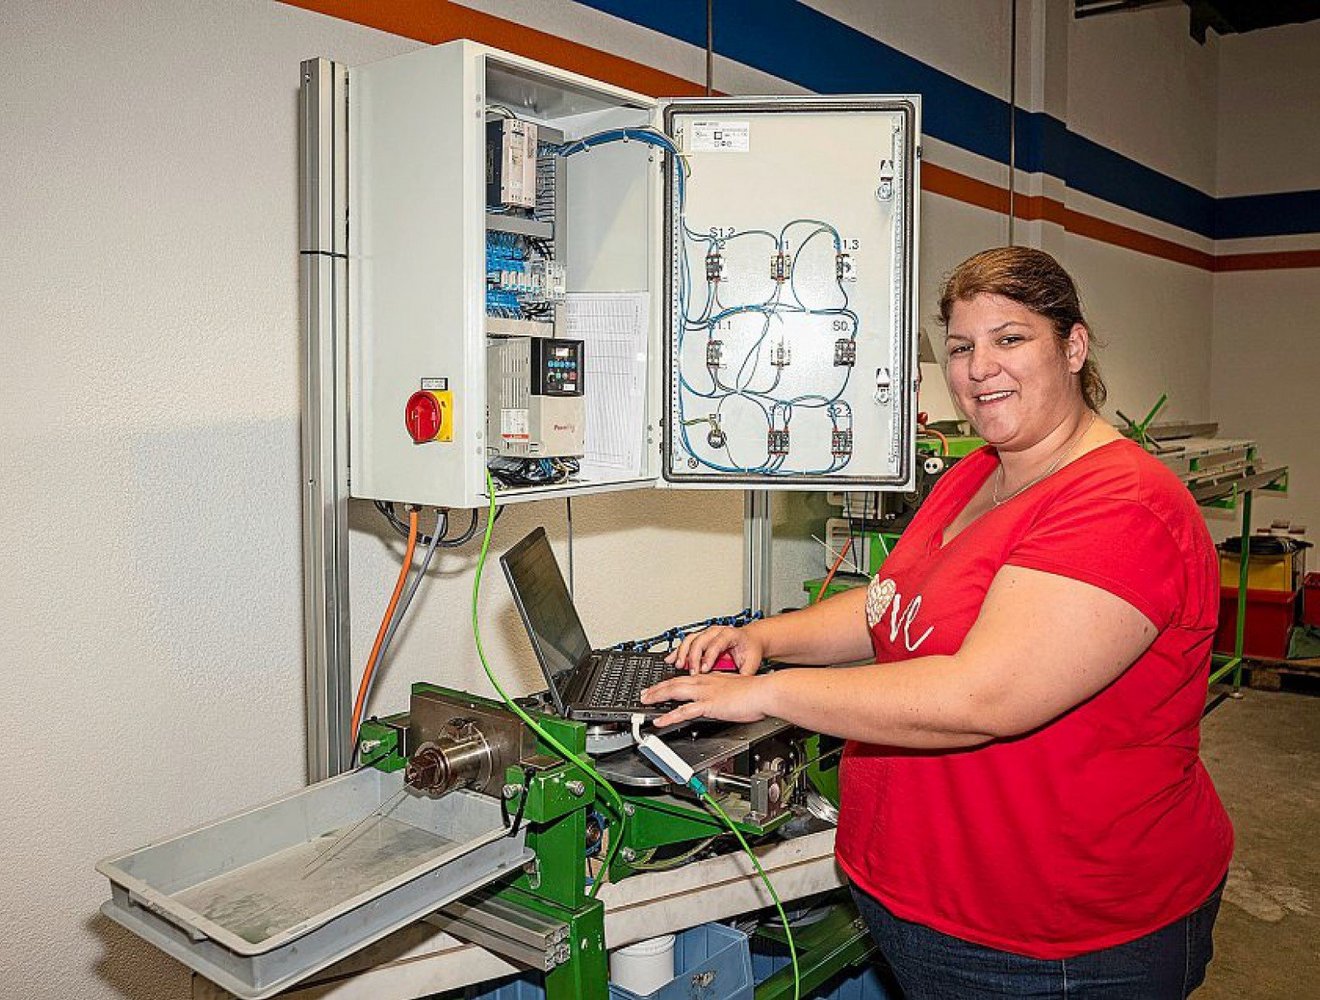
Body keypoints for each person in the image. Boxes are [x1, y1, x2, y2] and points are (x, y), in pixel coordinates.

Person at [642, 246, 1232, 999]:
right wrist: (766, 638)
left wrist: (771, 694)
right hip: (918, 896)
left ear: (1073, 346)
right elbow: (891, 602)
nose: (980, 367)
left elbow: (982, 697)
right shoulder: (978, 473)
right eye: (961, 347)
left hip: (1056, 938)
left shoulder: (1120, 505)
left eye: (1010, 338)